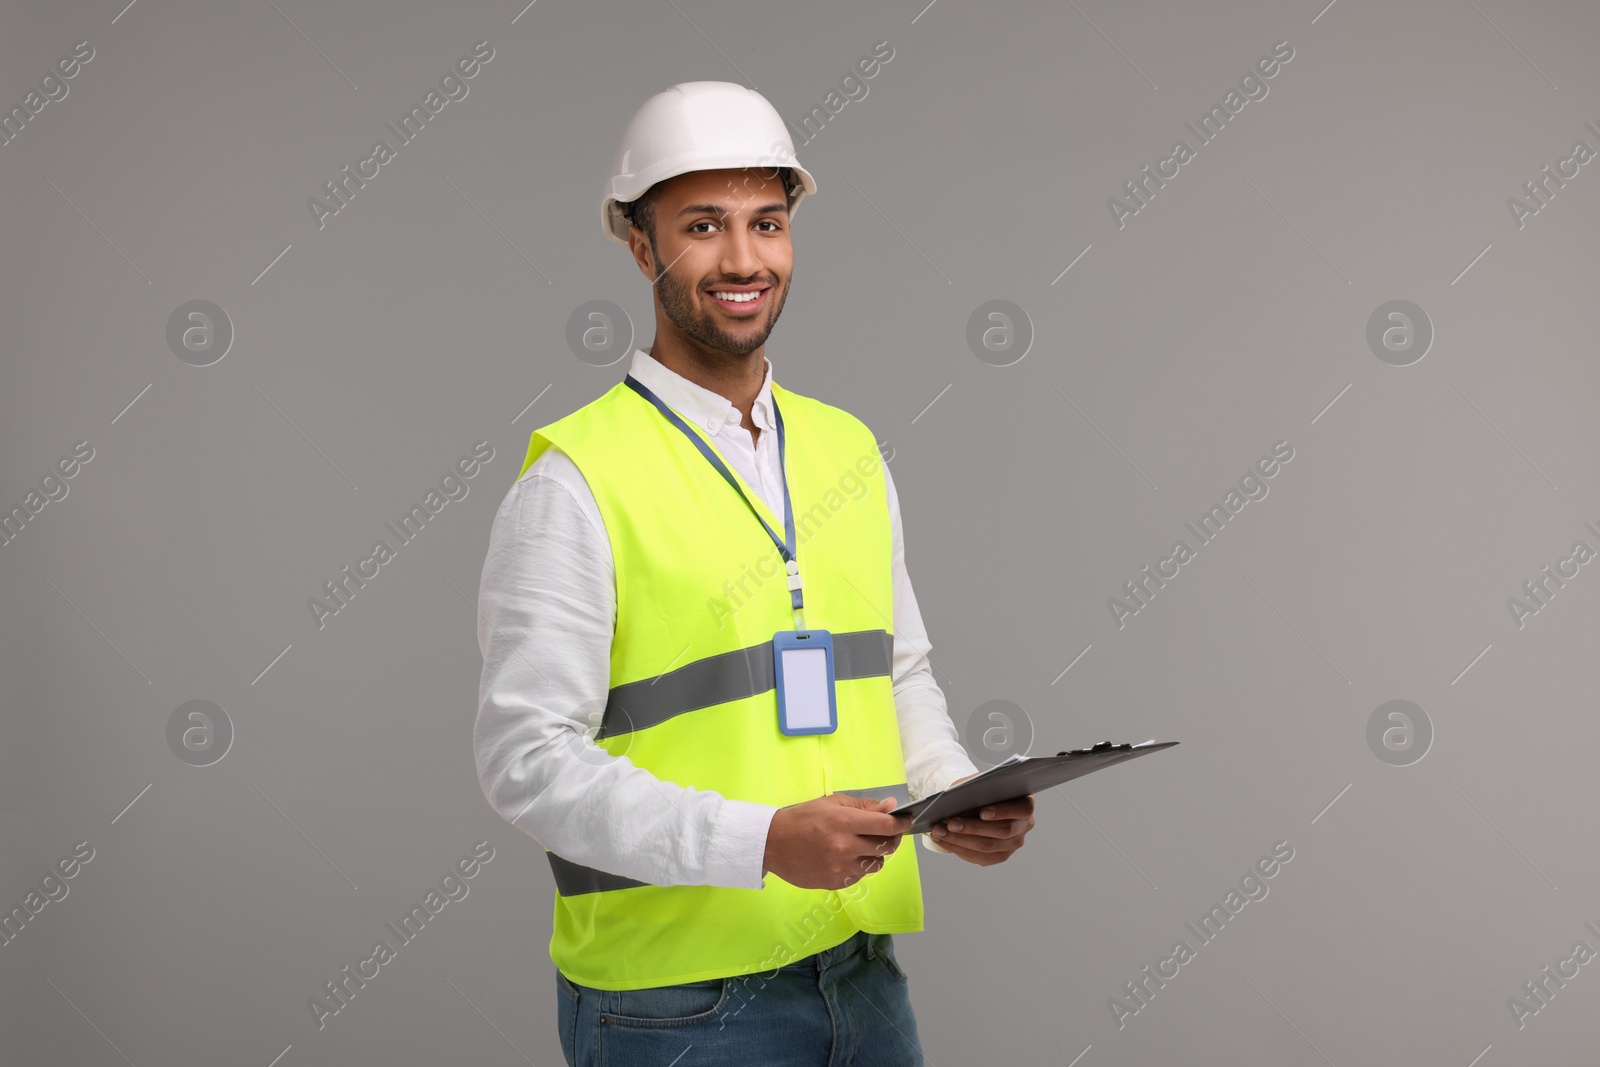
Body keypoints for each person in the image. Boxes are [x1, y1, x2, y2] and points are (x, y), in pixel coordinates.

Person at [472, 81, 1035, 1067]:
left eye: (766, 223)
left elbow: (895, 670)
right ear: (641, 246)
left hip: (860, 973)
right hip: (674, 1006)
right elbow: (526, 759)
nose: (743, 259)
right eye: (703, 225)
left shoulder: (848, 449)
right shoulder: (577, 480)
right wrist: (761, 840)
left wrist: (949, 795)